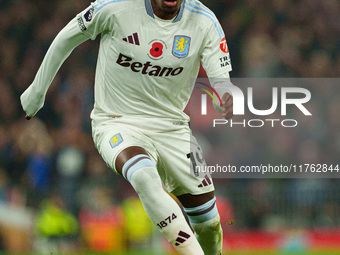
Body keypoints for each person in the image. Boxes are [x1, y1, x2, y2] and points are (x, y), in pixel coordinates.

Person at [20, 0, 234, 254]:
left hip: (175, 129)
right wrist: (37, 91)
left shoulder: (205, 21)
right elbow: (66, 37)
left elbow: (222, 80)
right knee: (143, 175)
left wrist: (224, 93)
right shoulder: (115, 7)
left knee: (209, 224)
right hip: (116, 121)